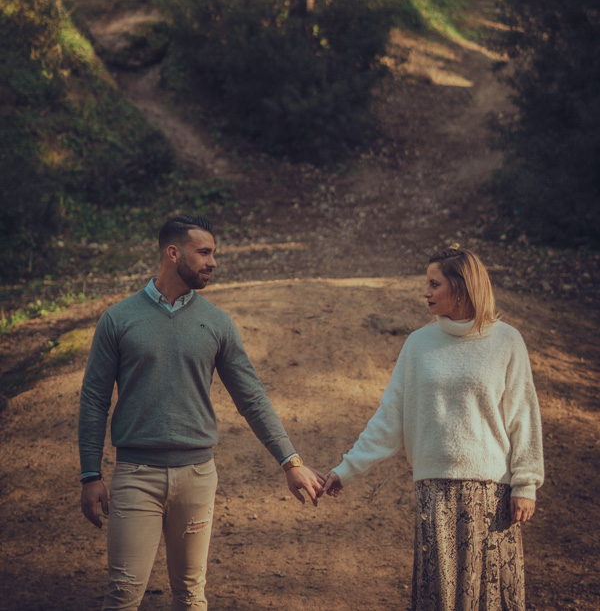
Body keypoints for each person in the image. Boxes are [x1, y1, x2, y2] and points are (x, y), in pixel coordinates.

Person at [79, 215, 324, 611]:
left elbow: (252, 398)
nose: (213, 262)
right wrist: (90, 473)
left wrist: (290, 460)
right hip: (136, 476)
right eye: (204, 252)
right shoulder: (119, 319)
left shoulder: (217, 322)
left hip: (197, 477)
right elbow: (93, 399)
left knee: (192, 596)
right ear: (173, 253)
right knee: (123, 595)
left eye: (214, 254)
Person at [323, 245, 544, 611]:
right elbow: (390, 417)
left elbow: (523, 416)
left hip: (492, 494)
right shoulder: (418, 344)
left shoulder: (507, 341)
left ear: (462, 286)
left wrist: (526, 483)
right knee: (440, 596)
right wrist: (346, 470)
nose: (424, 292)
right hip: (434, 493)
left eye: (433, 283)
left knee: (489, 595)